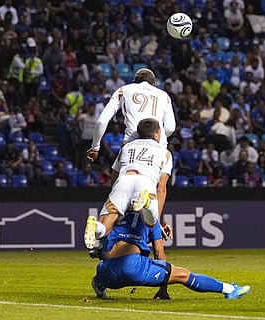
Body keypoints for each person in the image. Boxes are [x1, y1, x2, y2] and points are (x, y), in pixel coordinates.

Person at [91, 210, 250, 300]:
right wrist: (163, 288)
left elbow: (106, 242)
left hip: (107, 271)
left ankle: (98, 285)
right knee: (184, 275)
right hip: (134, 268)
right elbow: (160, 254)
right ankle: (230, 289)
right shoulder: (151, 219)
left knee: (105, 267)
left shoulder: (116, 213)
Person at [84, 118, 172, 250]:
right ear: (156, 135)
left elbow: (113, 177)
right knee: (150, 221)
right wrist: (157, 221)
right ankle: (146, 203)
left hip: (124, 180)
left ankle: (95, 226)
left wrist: (121, 199)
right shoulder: (164, 153)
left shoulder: (126, 147)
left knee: (105, 226)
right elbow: (161, 189)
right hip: (145, 182)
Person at [86, 68, 176, 164]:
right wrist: (158, 135)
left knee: (116, 176)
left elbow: (101, 122)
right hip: (157, 144)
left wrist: (95, 147)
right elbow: (170, 128)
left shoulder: (123, 90)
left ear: (135, 82)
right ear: (154, 84)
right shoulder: (164, 95)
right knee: (164, 171)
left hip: (132, 142)